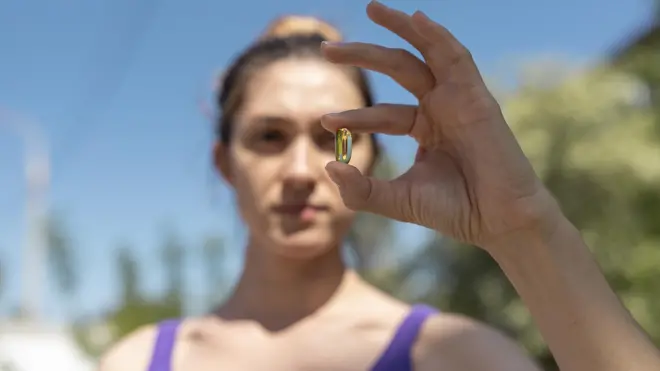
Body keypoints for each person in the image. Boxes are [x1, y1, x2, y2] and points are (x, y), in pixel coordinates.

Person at [100, 2, 660, 371]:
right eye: (269, 137)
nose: (299, 170)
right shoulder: (140, 359)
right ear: (225, 163)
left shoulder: (457, 355)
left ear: (369, 155)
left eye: (335, 138)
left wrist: (522, 228)